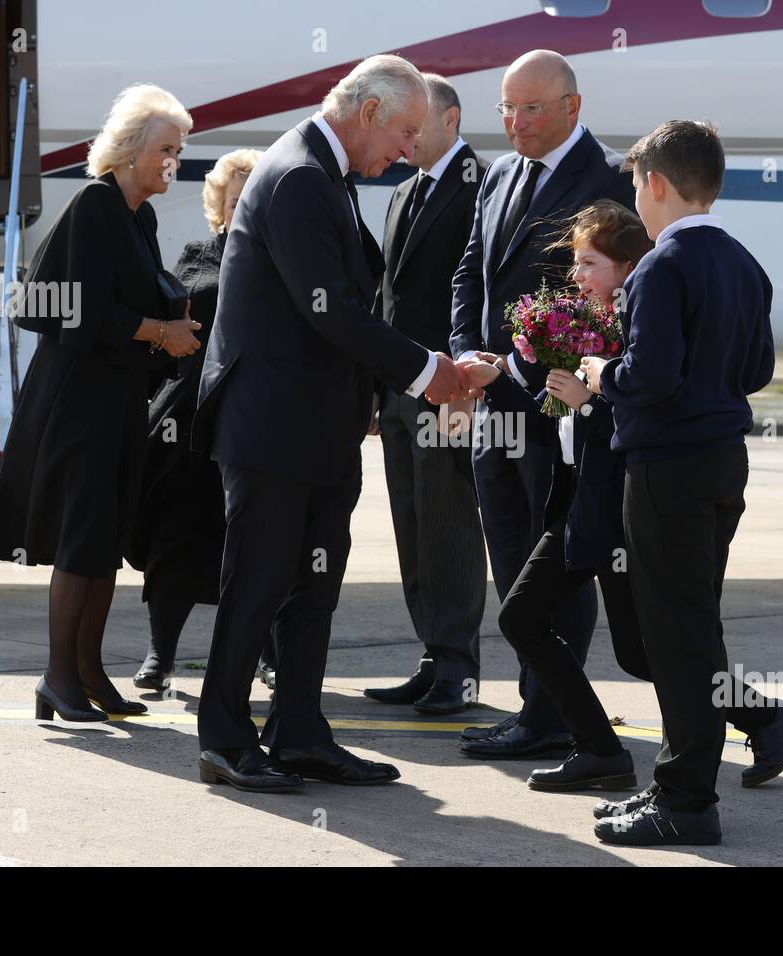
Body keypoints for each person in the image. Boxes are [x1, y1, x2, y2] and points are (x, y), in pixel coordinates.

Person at [191, 55, 474, 793]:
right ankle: (225, 737)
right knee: (257, 585)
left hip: (315, 427)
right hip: (274, 429)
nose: (411, 149)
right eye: (407, 130)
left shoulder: (325, 173)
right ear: (370, 112)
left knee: (311, 589)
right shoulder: (299, 177)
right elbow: (332, 311)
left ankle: (299, 733)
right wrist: (425, 372)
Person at [579, 121, 783, 847]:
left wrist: (597, 375)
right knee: (692, 628)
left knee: (676, 638)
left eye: (635, 185)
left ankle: (684, 801)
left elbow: (648, 377)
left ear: (655, 183)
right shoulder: (743, 263)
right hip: (720, 461)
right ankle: (679, 785)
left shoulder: (660, 266)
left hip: (668, 466)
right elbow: (757, 371)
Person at [0, 85, 200, 722]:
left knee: (104, 536)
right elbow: (71, 310)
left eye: (178, 151)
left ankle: (87, 669)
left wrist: (170, 316)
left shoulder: (140, 217)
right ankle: (57, 676)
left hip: (119, 399)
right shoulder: (96, 206)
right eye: (164, 149)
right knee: (81, 537)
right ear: (128, 151)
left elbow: (128, 298)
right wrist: (160, 332)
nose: (172, 162)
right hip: (79, 402)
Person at [450, 50, 636, 760]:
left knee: (555, 559)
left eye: (531, 108)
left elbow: (604, 297)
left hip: (561, 407)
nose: (515, 122)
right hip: (494, 395)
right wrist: (468, 354)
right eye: (505, 107)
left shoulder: (610, 179)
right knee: (510, 553)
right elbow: (472, 270)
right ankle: (538, 709)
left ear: (571, 108)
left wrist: (532, 368)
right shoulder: (499, 174)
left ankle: (553, 712)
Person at [458, 200, 652, 789]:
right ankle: (599, 748)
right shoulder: (581, 320)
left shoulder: (633, 325)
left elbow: (633, 420)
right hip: (574, 498)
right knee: (524, 616)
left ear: (624, 269)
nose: (576, 275)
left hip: (611, 506)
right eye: (575, 262)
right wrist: (502, 375)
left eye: (589, 263)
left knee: (642, 651)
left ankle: (759, 713)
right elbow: (549, 399)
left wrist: (587, 401)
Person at [364, 75, 489, 716]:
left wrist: (466, 383)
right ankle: (433, 656)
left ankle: (458, 667)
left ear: (452, 119)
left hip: (449, 393)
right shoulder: (404, 193)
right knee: (412, 527)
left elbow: (483, 292)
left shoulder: (483, 186)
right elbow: (388, 298)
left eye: (417, 126)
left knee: (450, 526)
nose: (407, 139)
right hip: (401, 392)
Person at [128, 148, 261, 693]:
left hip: (254, 418)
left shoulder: (284, 258)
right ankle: (161, 654)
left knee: (257, 542)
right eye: (233, 202)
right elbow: (166, 326)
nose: (239, 210)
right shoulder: (198, 254)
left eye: (250, 201)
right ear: (219, 207)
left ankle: (264, 654)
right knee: (174, 537)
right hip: (184, 420)